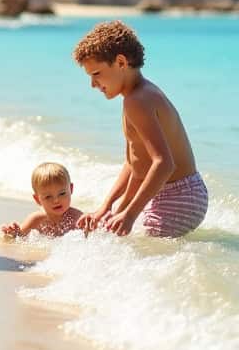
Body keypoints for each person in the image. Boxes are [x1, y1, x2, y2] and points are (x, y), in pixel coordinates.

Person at [72, 21, 208, 238]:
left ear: (121, 62)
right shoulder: (138, 95)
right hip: (186, 193)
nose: (93, 84)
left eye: (96, 73)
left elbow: (164, 164)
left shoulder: (137, 101)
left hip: (177, 197)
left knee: (137, 249)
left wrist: (130, 215)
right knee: (111, 233)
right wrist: (109, 208)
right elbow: (135, 164)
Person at [1, 162, 84, 238]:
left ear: (71, 189)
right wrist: (12, 233)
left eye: (62, 193)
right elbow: (19, 237)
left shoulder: (77, 218)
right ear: (37, 199)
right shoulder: (36, 220)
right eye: (48, 197)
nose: (56, 200)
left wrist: (89, 221)